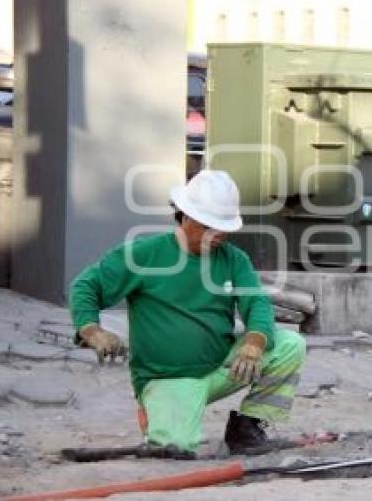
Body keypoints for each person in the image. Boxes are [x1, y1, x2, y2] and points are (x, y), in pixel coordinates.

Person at [69, 169, 305, 456]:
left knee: (290, 345)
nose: (218, 235)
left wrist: (255, 342)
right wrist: (91, 330)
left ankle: (247, 427)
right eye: (209, 226)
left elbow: (256, 304)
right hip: (169, 377)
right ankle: (154, 412)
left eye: (224, 227)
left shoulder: (234, 259)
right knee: (175, 451)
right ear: (186, 216)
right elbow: (85, 286)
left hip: (223, 365)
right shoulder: (145, 254)